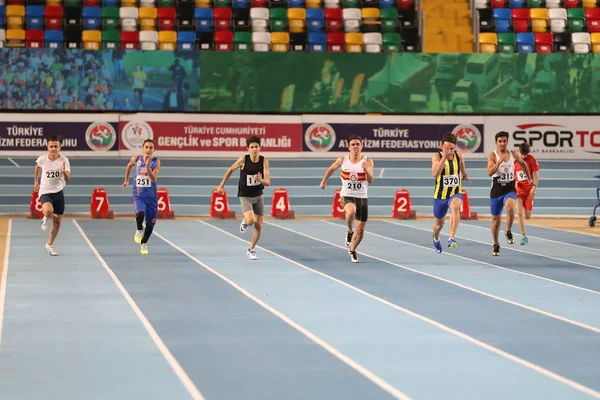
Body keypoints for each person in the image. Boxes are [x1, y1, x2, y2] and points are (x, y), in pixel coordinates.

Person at [319, 135, 374, 263]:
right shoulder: (343, 160)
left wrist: (366, 170)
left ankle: (352, 250)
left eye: (358, 144)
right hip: (347, 195)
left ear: (361, 146)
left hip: (362, 197)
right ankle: (350, 230)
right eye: (353, 144)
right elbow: (331, 169)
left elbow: (370, 180)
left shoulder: (368, 161)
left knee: (360, 231)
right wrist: (323, 181)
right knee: (351, 212)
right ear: (349, 147)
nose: (355, 146)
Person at [217, 136, 271, 261]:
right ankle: (246, 221)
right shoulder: (243, 159)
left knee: (259, 226)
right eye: (251, 147)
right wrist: (221, 185)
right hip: (245, 195)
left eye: (256, 147)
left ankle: (251, 249)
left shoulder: (264, 161)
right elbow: (230, 169)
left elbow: (268, 182)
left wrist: (260, 180)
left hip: (258, 195)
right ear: (248, 148)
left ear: (260, 148)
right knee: (251, 220)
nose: (254, 149)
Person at [487, 131, 532, 256]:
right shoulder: (492, 155)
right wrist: (499, 162)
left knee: (510, 208)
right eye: (500, 141)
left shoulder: (512, 154)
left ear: (507, 142)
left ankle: (508, 230)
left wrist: (529, 178)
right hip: (496, 191)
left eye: (504, 141)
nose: (502, 143)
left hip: (509, 189)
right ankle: (496, 244)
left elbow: (523, 163)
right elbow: (490, 172)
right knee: (496, 222)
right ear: (496, 143)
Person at [431, 133, 472, 253]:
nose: (449, 151)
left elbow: (462, 164)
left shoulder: (459, 155)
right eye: (446, 148)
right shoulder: (436, 157)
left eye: (452, 148)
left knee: (455, 206)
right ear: (441, 146)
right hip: (440, 196)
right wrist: (444, 157)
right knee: (438, 226)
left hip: (455, 192)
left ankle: (451, 238)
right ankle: (436, 237)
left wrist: (464, 175)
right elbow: (435, 174)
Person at [122, 139, 161, 255]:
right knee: (140, 214)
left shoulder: (156, 162)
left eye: (151, 148)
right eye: (146, 147)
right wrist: (126, 180)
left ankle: (144, 243)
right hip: (138, 195)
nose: (148, 149)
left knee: (150, 224)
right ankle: (139, 230)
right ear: (143, 148)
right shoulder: (136, 159)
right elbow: (129, 166)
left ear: (153, 150)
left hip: (151, 198)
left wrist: (148, 167)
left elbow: (154, 179)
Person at [34, 135, 71, 256]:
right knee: (49, 211)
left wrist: (65, 172)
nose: (53, 149)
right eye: (51, 146)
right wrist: (35, 181)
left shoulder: (64, 160)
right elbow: (37, 166)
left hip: (58, 192)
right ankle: (46, 217)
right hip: (45, 191)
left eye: (55, 146)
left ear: (59, 147)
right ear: (47, 147)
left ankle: (49, 244)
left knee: (57, 223)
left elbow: (68, 179)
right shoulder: (42, 159)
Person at [514, 142, 540, 245]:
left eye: (525, 155)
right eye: (522, 154)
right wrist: (514, 183)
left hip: (529, 191)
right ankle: (524, 235)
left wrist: (534, 187)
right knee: (519, 213)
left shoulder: (531, 159)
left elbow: (536, 174)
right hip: (519, 190)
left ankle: (526, 205)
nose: (523, 156)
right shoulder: (514, 159)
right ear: (519, 151)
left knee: (527, 216)